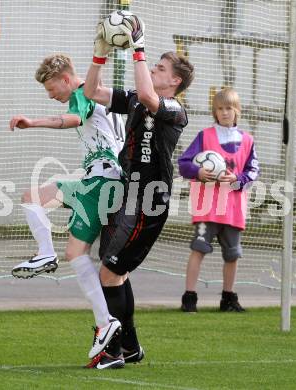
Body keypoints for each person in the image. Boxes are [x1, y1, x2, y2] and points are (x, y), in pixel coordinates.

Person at [83, 16, 194, 369]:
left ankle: (113, 350)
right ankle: (128, 347)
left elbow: (149, 94)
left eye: (161, 68)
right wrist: (99, 54)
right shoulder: (134, 99)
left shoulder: (175, 110)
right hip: (127, 195)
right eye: (155, 66)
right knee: (116, 272)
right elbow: (91, 92)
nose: (154, 70)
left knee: (108, 273)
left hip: (149, 200)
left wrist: (138, 47)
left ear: (174, 81)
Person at [9, 54, 125, 360]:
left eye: (51, 89)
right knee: (75, 254)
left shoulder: (83, 93)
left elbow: (73, 119)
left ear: (65, 79)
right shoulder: (104, 95)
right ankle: (105, 323)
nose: (50, 96)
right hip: (105, 180)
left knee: (31, 198)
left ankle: (46, 254)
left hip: (101, 180)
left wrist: (32, 122)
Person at [178, 87, 260, 313]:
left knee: (233, 254)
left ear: (237, 111)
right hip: (207, 207)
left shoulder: (247, 140)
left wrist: (237, 179)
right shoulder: (205, 136)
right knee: (199, 248)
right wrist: (198, 172)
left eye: (229, 108)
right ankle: (190, 297)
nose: (224, 113)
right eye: (220, 109)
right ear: (215, 112)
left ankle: (228, 298)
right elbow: (184, 163)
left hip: (233, 208)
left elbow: (253, 171)